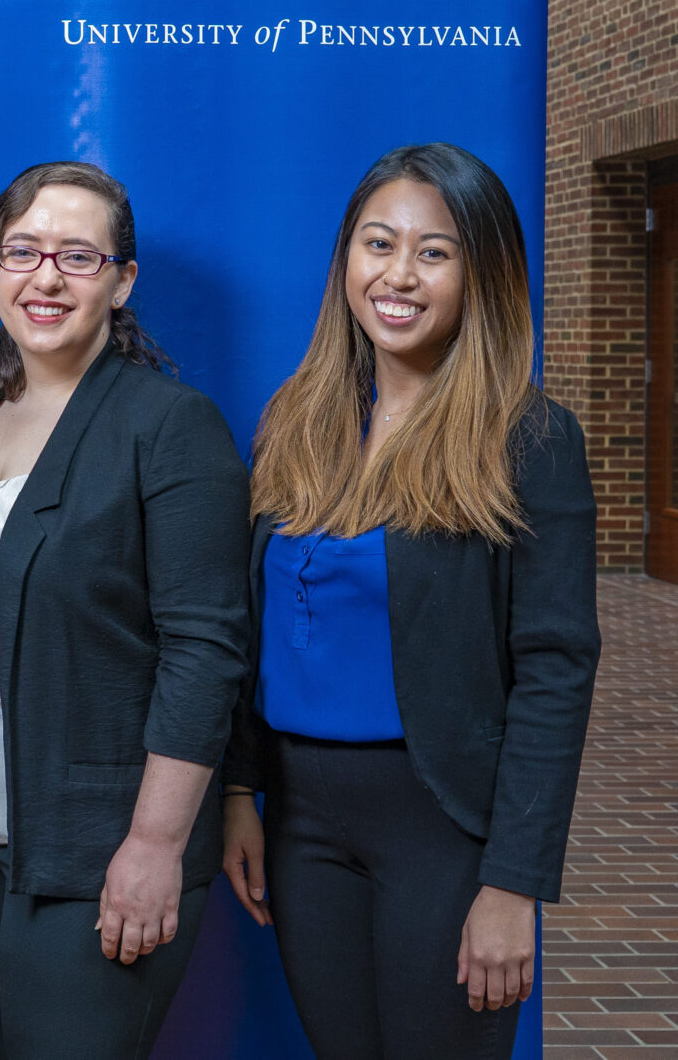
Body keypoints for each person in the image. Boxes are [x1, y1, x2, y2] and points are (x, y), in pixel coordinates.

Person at [221, 143, 600, 1060]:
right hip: (304, 825)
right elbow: (245, 625)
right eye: (377, 242)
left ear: (482, 273)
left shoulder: (529, 438)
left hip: (445, 827)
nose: (397, 274)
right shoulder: (298, 418)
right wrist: (239, 789)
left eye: (434, 251)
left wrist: (514, 885)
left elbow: (555, 672)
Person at [0, 161, 251, 1059]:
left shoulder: (169, 425)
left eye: (79, 256)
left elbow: (205, 653)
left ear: (122, 281)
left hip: (96, 843)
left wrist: (155, 843)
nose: (46, 277)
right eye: (24, 250)